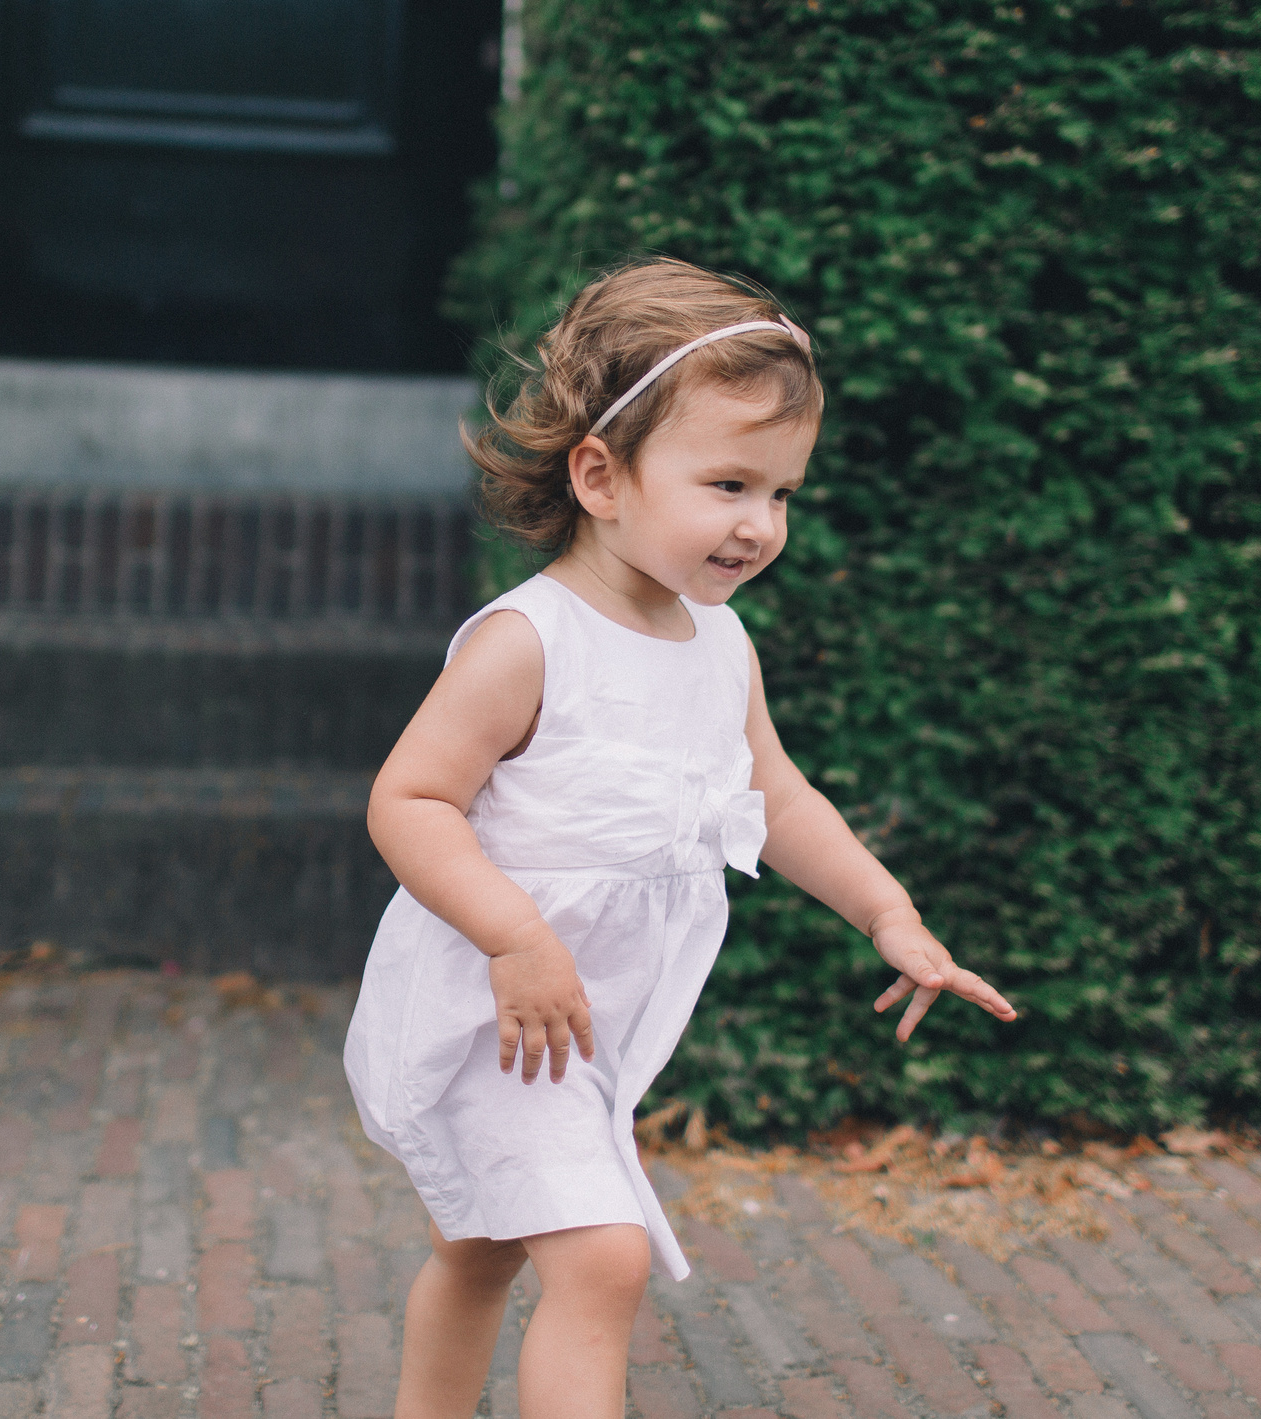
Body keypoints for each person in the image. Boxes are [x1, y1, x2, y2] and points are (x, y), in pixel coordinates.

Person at [342, 258, 1016, 1419]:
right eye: (728, 484)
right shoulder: (528, 642)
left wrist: (888, 914)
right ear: (601, 476)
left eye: (783, 494)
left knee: (486, 1250)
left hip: (580, 1024)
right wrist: (514, 938)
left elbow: (782, 801)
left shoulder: (718, 643)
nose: (759, 525)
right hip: (490, 1008)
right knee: (601, 1257)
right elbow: (407, 803)